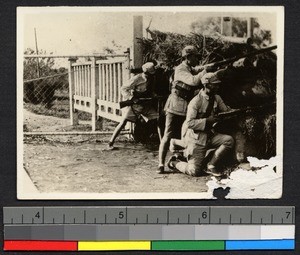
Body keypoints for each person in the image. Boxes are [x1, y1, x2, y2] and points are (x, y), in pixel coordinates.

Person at [167, 72, 234, 177]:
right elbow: (189, 123)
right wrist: (208, 121)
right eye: (214, 84)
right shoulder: (196, 101)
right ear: (206, 85)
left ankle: (211, 165)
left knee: (228, 140)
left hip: (210, 135)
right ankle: (174, 162)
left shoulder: (216, 98)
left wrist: (235, 111)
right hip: (196, 139)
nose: (217, 86)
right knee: (194, 171)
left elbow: (225, 111)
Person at [157, 45, 207, 173]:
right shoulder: (180, 69)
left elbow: (196, 69)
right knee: (168, 134)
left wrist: (206, 68)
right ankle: (161, 164)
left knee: (185, 134)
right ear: (188, 57)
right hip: (174, 106)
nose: (197, 59)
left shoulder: (189, 67)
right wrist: (205, 71)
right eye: (195, 57)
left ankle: (178, 157)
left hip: (185, 107)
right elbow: (194, 81)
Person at [107, 62, 159, 150]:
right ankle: (110, 142)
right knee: (123, 122)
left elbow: (150, 90)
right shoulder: (137, 78)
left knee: (157, 119)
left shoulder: (153, 78)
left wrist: (154, 95)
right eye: (150, 73)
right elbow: (123, 88)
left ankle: (154, 141)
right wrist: (132, 98)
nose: (152, 75)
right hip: (135, 105)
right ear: (146, 73)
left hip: (146, 105)